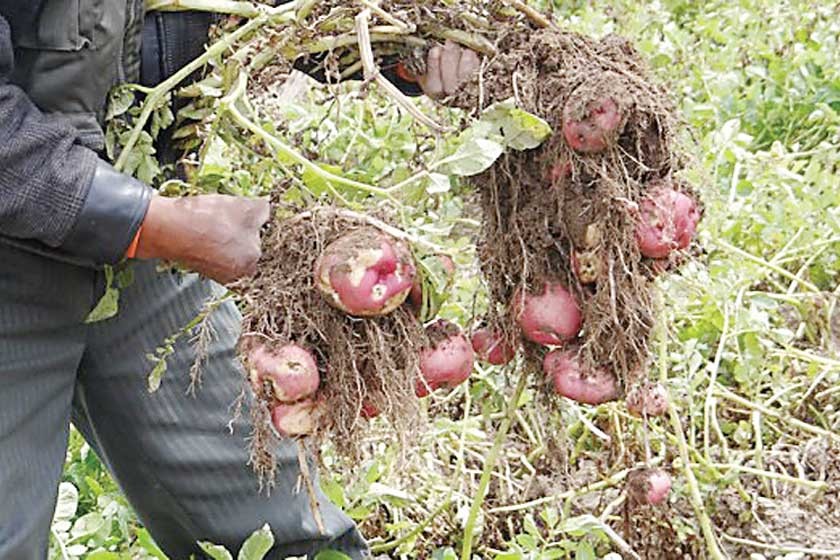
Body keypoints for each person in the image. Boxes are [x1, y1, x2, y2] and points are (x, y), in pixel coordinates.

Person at [0, 2, 479, 559]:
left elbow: (268, 17)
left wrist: (401, 48)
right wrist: (153, 224)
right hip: (48, 243)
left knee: (288, 540)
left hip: (144, 224)